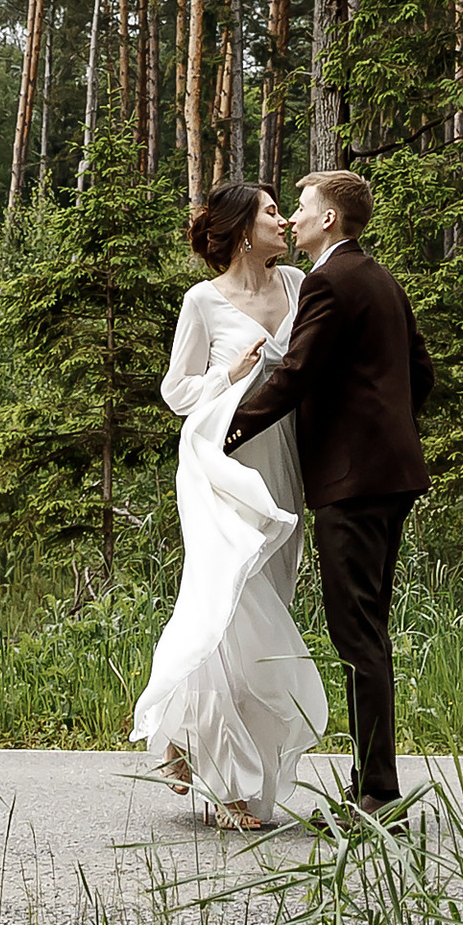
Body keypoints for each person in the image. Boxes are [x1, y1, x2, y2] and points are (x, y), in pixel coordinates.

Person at [223, 168, 433, 820]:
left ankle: (378, 795)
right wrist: (387, 427)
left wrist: (227, 429)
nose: (293, 218)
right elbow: (421, 373)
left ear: (329, 219)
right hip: (391, 476)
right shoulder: (382, 279)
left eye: (303, 206)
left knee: (356, 633)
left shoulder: (328, 282)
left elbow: (295, 375)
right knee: (368, 630)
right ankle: (371, 784)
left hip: (353, 482)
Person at [129, 181, 327, 831]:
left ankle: (186, 732)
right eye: (272, 212)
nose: (284, 221)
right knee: (227, 608)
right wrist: (229, 375)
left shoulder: (298, 285)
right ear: (243, 230)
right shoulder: (203, 301)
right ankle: (230, 786)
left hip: (283, 465)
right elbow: (177, 392)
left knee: (267, 609)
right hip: (224, 465)